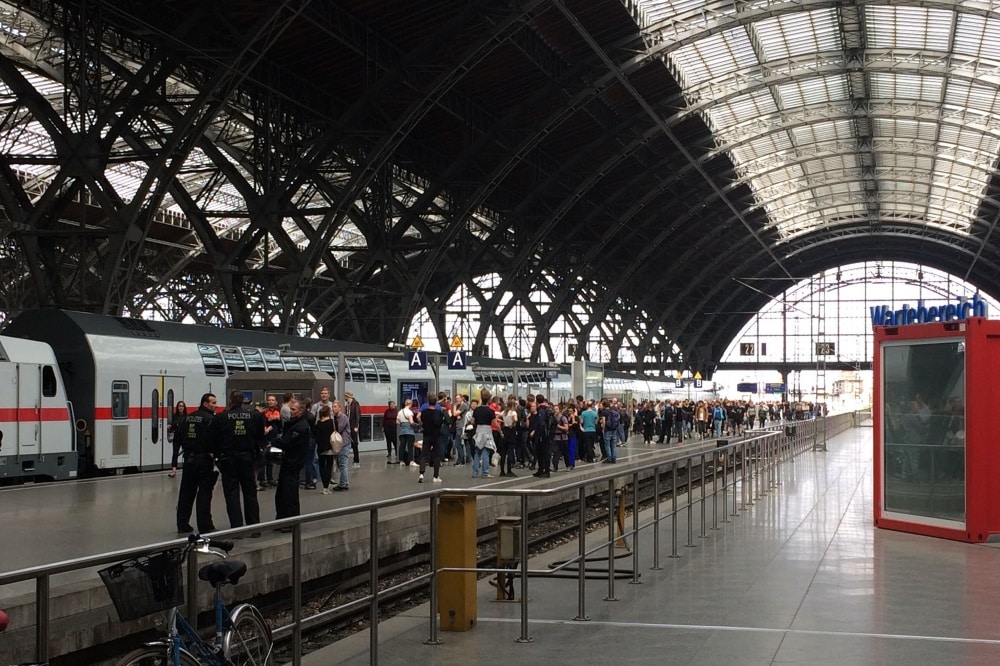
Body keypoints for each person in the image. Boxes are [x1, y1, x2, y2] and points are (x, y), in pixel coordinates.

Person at [213, 391, 265, 535]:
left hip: (228, 459)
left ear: (230, 400)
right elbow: (260, 437)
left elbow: (215, 439)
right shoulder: (255, 416)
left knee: (231, 494)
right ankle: (254, 528)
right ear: (244, 401)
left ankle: (237, 528)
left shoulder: (222, 417)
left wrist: (218, 458)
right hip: (247, 458)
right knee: (250, 492)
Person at [175, 393, 218, 534]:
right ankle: (205, 525)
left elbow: (178, 438)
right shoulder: (210, 419)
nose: (215, 405)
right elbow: (214, 440)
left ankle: (182, 524)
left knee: (186, 493)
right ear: (205, 403)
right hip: (204, 459)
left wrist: (174, 461)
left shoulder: (186, 418)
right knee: (204, 493)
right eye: (213, 402)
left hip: (188, 459)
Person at [274, 398, 310, 529]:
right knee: (282, 493)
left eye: (293, 410)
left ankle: (291, 521)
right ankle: (282, 519)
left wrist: (274, 441)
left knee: (290, 494)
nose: (291, 412)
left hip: (293, 463)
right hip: (288, 462)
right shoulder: (294, 424)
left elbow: (286, 443)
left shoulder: (300, 427)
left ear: (301, 411)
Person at [418, 395, 444, 483]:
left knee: (424, 455)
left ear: (428, 402)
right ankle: (435, 476)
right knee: (437, 456)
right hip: (436, 436)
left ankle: (421, 474)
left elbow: (420, 420)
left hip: (426, 435)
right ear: (436, 402)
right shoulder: (439, 413)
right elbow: (441, 424)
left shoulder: (424, 412)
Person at [471, 393, 497, 478]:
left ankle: (474, 472)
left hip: (479, 431)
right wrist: (500, 431)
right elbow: (495, 423)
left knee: (477, 452)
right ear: (489, 400)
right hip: (487, 431)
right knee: (486, 452)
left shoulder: (477, 410)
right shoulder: (491, 411)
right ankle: (485, 472)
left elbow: (472, 421)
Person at [313, 405, 335, 494]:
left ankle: (323, 487)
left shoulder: (318, 423)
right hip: (329, 447)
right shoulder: (331, 422)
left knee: (322, 467)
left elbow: (315, 435)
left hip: (320, 448)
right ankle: (327, 487)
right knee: (329, 467)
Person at [331, 400, 352, 491]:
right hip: (338, 444)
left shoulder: (343, 417)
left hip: (344, 443)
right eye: (333, 406)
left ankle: (343, 484)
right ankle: (345, 482)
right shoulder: (334, 417)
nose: (333, 408)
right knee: (341, 464)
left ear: (340, 408)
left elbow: (338, 428)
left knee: (343, 464)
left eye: (335, 407)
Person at [499, 396, 519, 477]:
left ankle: (502, 471)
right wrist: (512, 423)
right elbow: (516, 419)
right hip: (511, 431)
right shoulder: (513, 412)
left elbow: (497, 417)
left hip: (504, 430)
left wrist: (503, 421)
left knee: (503, 452)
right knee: (510, 451)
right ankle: (509, 470)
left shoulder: (504, 412)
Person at [167, 401, 187, 478]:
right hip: (177, 437)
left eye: (182, 406)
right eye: (179, 406)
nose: (181, 407)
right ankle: (174, 470)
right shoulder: (174, 416)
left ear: (184, 407)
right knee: (175, 453)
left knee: (186, 454)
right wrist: (170, 427)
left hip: (184, 437)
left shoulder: (186, 417)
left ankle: (186, 469)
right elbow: (172, 427)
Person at [397, 398, 418, 467]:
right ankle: (411, 461)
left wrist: (402, 424)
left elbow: (397, 421)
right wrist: (417, 425)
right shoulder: (409, 412)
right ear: (410, 404)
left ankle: (401, 461)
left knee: (402, 446)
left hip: (402, 431)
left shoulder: (400, 411)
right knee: (410, 446)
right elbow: (411, 422)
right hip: (409, 431)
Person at [344, 391, 361, 469]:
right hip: (349, 427)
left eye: (346, 397)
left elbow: (357, 415)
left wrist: (356, 426)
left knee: (354, 444)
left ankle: (356, 460)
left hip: (353, 427)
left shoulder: (355, 404)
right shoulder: (348, 405)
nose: (345, 398)